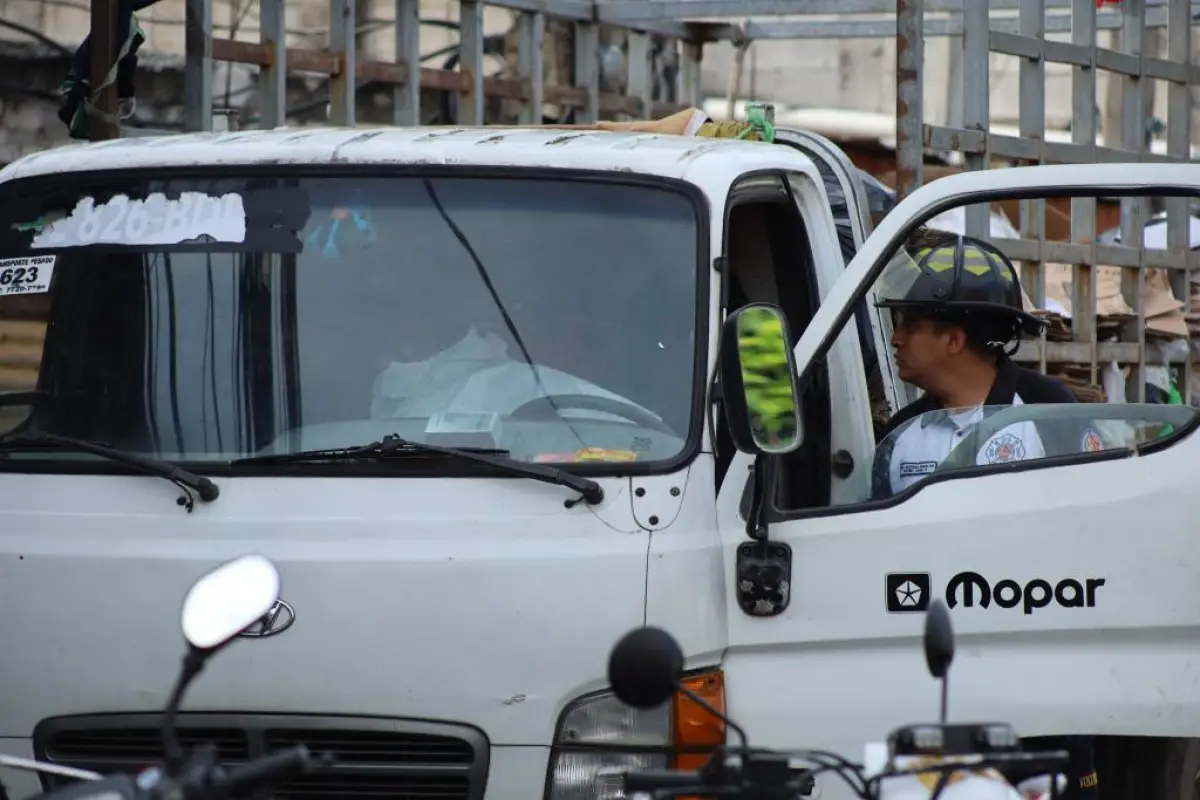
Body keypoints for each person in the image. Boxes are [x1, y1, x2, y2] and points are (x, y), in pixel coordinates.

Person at [869, 230, 1099, 800]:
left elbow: (1093, 541)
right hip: (933, 682)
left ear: (953, 338)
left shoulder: (1049, 414)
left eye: (910, 324)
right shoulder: (899, 438)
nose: (894, 339)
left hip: (1041, 682)